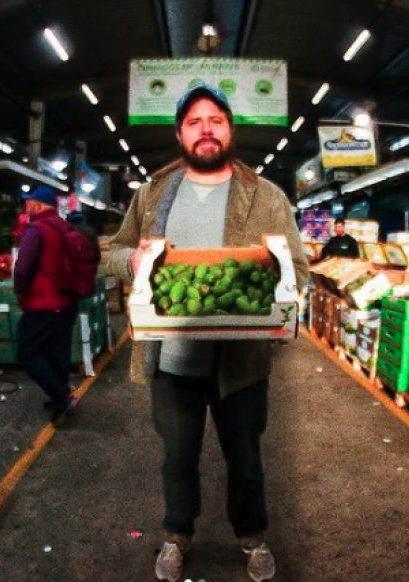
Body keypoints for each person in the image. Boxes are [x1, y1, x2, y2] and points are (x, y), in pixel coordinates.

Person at [101, 81, 308, 582]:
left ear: (230, 131)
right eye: (195, 122)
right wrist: (133, 259)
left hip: (242, 360)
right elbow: (112, 251)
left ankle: (252, 539)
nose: (206, 130)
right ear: (179, 134)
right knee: (178, 458)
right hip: (172, 359)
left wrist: (279, 273)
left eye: (216, 120)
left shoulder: (266, 195)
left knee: (246, 458)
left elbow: (299, 268)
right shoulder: (152, 193)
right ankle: (177, 536)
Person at [13, 185, 78, 426]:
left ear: (37, 205)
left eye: (28, 203)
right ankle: (60, 394)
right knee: (56, 351)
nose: (26, 207)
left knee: (28, 353)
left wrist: (20, 291)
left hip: (44, 304)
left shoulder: (36, 229)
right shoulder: (66, 227)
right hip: (67, 302)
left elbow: (22, 268)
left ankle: (62, 399)